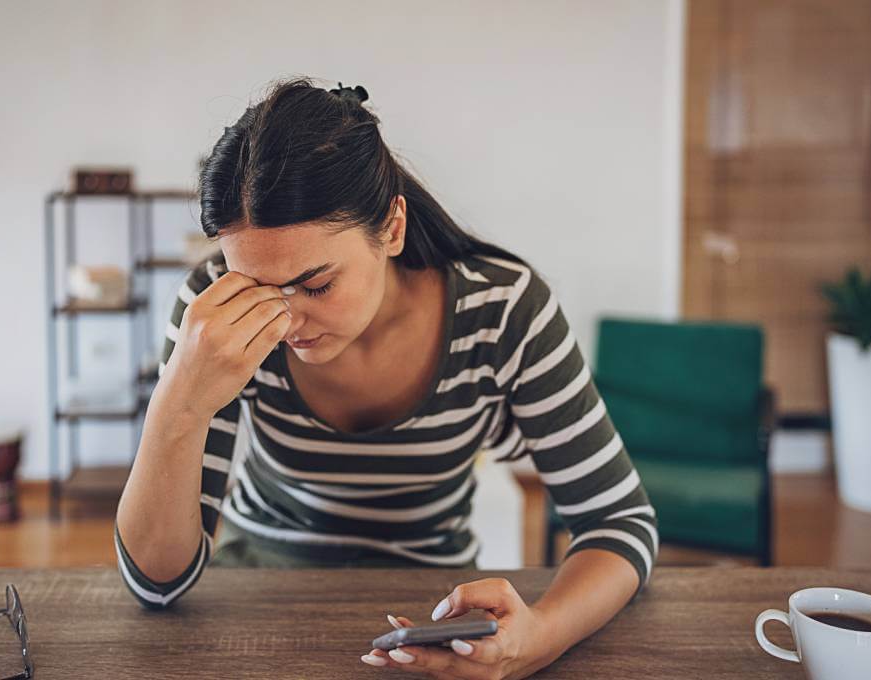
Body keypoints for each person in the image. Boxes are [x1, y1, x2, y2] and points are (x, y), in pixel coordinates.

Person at [115, 77, 658, 679]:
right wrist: (179, 403)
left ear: (392, 227)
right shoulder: (214, 316)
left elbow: (619, 523)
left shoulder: (503, 310)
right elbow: (157, 583)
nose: (284, 320)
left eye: (317, 285)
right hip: (255, 597)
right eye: (255, 288)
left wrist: (541, 636)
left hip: (435, 605)